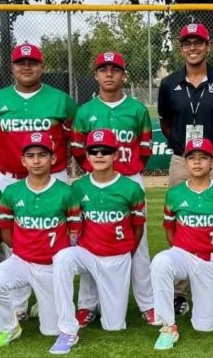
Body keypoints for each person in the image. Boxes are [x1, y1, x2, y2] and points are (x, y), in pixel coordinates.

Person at [157, 22, 213, 314]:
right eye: (187, 43)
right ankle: (180, 293)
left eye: (198, 42)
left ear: (208, 46)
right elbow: (165, 121)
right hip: (182, 159)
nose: (193, 47)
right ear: (181, 48)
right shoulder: (169, 84)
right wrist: (182, 146)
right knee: (182, 220)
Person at [70, 52, 157, 326]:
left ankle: (148, 303)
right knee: (89, 241)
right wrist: (96, 174)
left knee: (138, 244)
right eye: (103, 69)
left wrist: (126, 170)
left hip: (130, 179)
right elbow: (77, 150)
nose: (109, 74)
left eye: (115, 70)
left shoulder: (137, 109)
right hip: (93, 183)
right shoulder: (85, 111)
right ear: (95, 75)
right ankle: (87, 305)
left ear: (123, 75)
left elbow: (144, 149)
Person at [51, 129, 146, 354]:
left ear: (115, 155)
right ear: (87, 155)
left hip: (117, 256)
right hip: (87, 253)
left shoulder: (131, 188)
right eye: (94, 150)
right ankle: (67, 328)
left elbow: (137, 227)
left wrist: (126, 253)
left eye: (106, 150)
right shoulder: (78, 187)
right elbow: (74, 225)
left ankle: (95, 306)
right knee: (63, 258)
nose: (100, 155)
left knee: (113, 326)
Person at [0, 132, 81, 349]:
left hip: (51, 265)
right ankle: (9, 328)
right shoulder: (11, 191)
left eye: (42, 155)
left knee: (51, 330)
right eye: (30, 155)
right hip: (22, 260)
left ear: (53, 159)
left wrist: (64, 262)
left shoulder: (66, 192)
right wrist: (20, 249)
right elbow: (4, 229)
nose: (36, 161)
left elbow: (75, 231)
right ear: (23, 160)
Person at [150, 137, 213, 350]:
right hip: (183, 254)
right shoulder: (174, 194)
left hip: (210, 260)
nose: (197, 162)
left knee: (204, 327)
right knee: (161, 262)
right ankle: (168, 326)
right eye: (192, 158)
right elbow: (169, 231)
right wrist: (179, 249)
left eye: (203, 157)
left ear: (212, 162)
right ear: (185, 162)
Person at [0, 43, 77, 192]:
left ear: (42, 66)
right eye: (20, 63)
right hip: (10, 178)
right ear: (12, 68)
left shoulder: (61, 100)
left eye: (33, 63)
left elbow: (71, 138)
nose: (26, 67)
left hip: (53, 176)